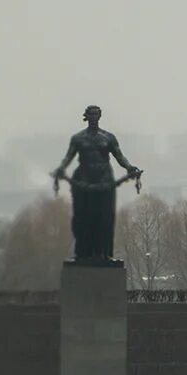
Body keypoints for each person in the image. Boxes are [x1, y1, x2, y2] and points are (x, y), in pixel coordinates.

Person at [53, 105, 141, 262]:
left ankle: (104, 253)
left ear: (100, 116)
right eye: (91, 114)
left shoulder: (108, 137)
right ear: (86, 116)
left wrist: (129, 168)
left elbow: (119, 156)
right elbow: (68, 157)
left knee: (105, 218)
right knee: (83, 217)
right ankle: (83, 253)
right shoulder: (78, 138)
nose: (94, 117)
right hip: (84, 180)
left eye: (96, 114)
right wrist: (61, 168)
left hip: (105, 180)